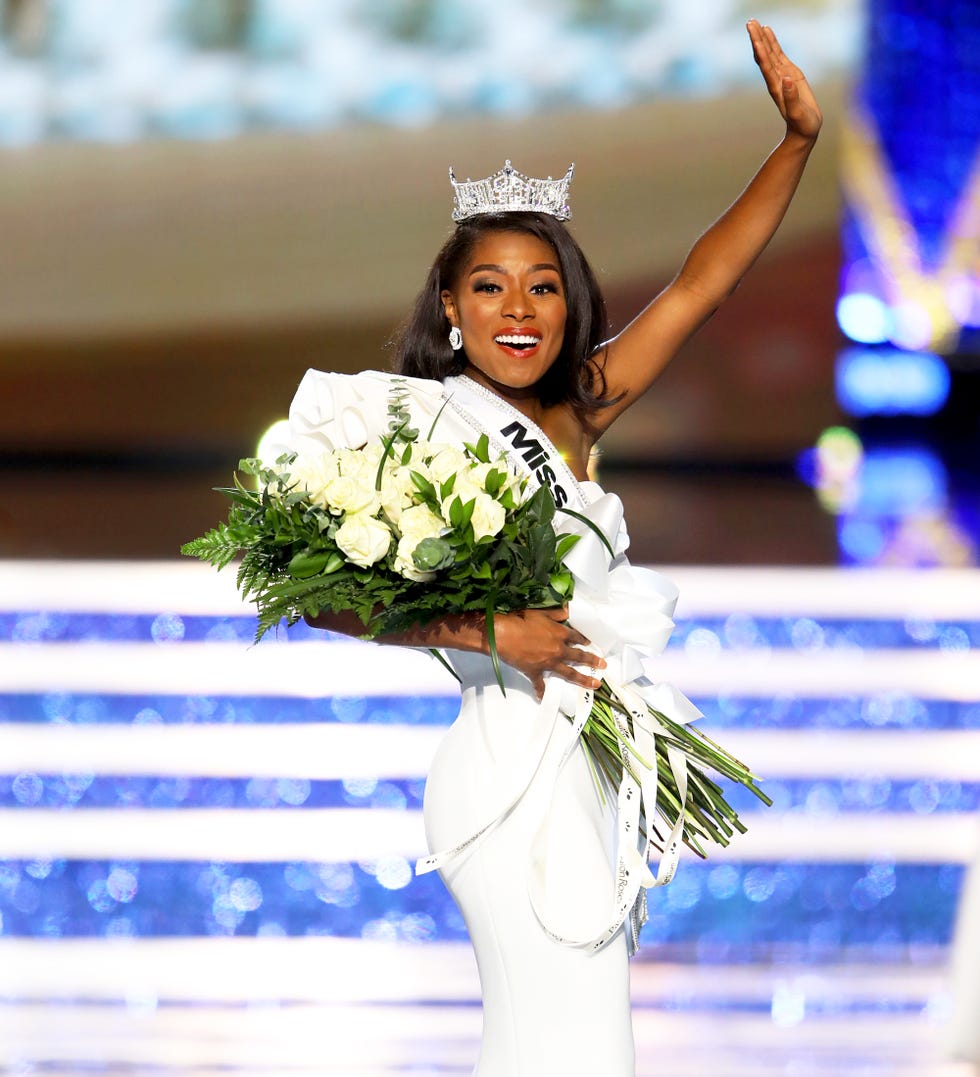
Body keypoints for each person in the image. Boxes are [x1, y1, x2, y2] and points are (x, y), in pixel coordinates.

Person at [290, 21, 821, 1076]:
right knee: (555, 1039)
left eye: (541, 284)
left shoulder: (578, 415)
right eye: (489, 286)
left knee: (586, 1044)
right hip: (497, 759)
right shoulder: (407, 430)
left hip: (590, 756)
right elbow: (316, 596)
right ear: (450, 306)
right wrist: (487, 628)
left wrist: (796, 143)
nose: (518, 308)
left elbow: (702, 285)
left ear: (568, 301)